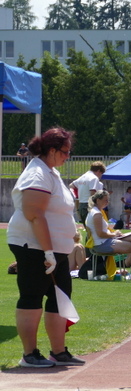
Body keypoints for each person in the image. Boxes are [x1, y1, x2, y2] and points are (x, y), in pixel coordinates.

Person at [7, 127, 85, 367]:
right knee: (32, 296)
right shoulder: (37, 174)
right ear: (52, 150)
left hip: (55, 248)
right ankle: (29, 354)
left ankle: (58, 352)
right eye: (65, 152)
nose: (68, 156)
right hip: (34, 246)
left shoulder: (51, 172)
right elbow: (34, 214)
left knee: (59, 297)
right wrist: (48, 251)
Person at [69, 161, 106, 225]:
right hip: (88, 205)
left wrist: (78, 194)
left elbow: (71, 185)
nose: (100, 176)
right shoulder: (94, 178)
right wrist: (95, 207)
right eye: (101, 174)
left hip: (81, 204)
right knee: (93, 228)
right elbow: (92, 193)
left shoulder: (83, 177)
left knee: (87, 227)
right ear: (99, 171)